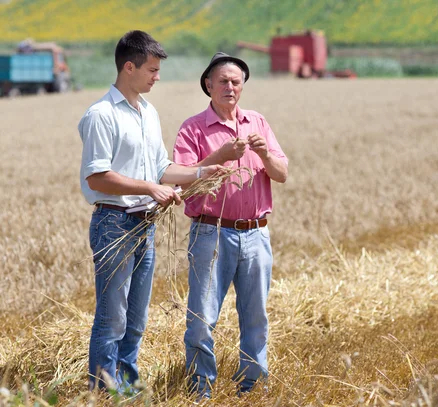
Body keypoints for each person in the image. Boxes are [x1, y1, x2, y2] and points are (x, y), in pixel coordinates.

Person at [78, 30, 222, 392]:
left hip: (145, 225)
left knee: (137, 321)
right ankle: (104, 394)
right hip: (115, 224)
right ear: (129, 67)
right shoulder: (101, 114)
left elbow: (160, 169)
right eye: (152, 70)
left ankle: (126, 390)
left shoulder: (148, 112)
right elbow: (98, 177)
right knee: (112, 320)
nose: (158, 77)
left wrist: (202, 173)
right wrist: (150, 189)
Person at [173, 52, 288, 398]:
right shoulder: (193, 128)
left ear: (243, 86)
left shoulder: (258, 122)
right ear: (208, 85)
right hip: (211, 233)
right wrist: (219, 156)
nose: (229, 87)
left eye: (236, 81)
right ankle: (201, 390)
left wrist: (265, 154)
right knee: (202, 319)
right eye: (222, 81)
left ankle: (251, 388)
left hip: (256, 233)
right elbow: (182, 183)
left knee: (255, 318)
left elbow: (282, 174)